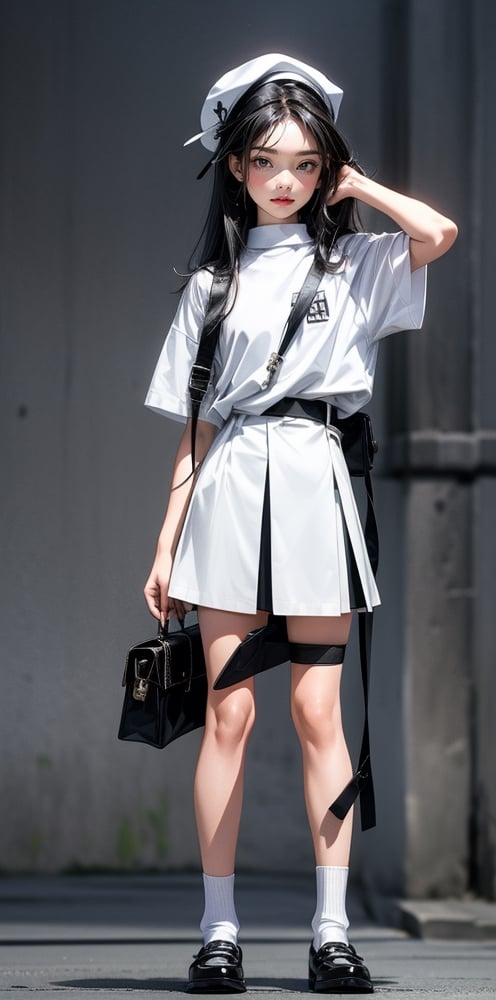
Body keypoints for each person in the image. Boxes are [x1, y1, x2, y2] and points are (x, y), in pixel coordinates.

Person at [143, 53, 457, 994]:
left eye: (308, 163)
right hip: (233, 487)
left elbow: (438, 230)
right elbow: (196, 435)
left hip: (319, 481)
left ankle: (331, 931)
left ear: (328, 170)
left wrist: (360, 184)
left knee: (319, 710)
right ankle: (218, 930)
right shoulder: (210, 288)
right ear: (235, 166)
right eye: (269, 161)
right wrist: (162, 544)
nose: (288, 179)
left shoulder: (355, 261)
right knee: (226, 714)